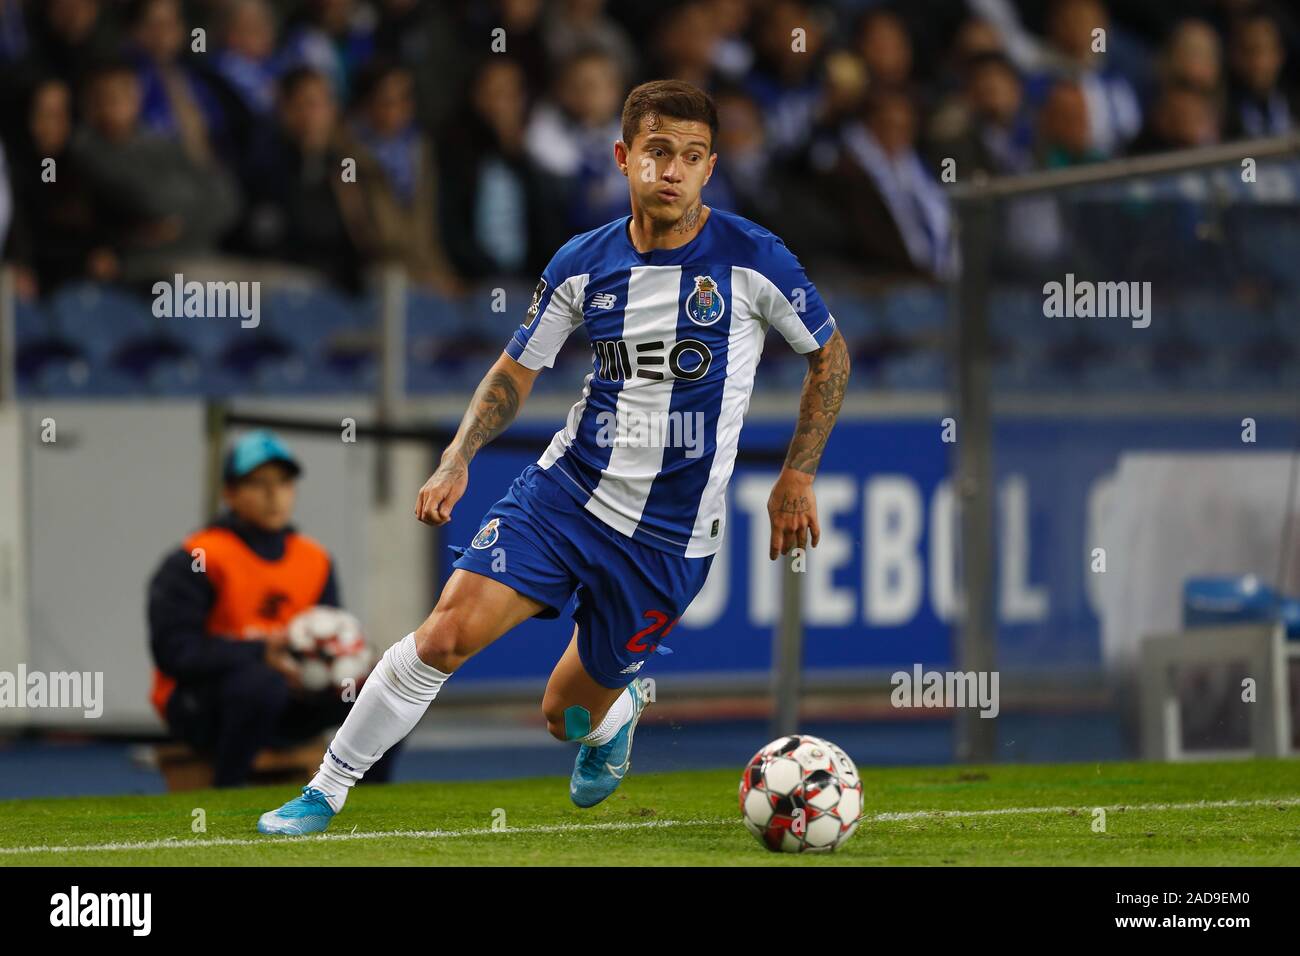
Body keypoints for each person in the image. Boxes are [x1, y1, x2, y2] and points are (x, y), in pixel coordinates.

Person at [257, 79, 850, 835]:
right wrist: (457, 456)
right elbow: (514, 370)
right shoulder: (581, 262)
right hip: (565, 495)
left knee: (564, 716)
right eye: (657, 152)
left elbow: (829, 356)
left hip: (668, 541)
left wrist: (798, 474)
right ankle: (326, 790)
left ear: (709, 168)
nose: (672, 171)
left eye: (691, 157)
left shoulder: (754, 260)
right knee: (445, 634)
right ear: (623, 156)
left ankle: (614, 714)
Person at [147, 430, 398, 788]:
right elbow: (176, 654)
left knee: (386, 688)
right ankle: (226, 790)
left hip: (290, 701)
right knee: (260, 683)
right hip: (201, 708)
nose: (273, 495)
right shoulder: (198, 558)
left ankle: (366, 801)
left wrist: (340, 663)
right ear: (229, 494)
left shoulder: (314, 559)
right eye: (258, 483)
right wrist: (261, 653)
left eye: (283, 482)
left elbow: (329, 637)